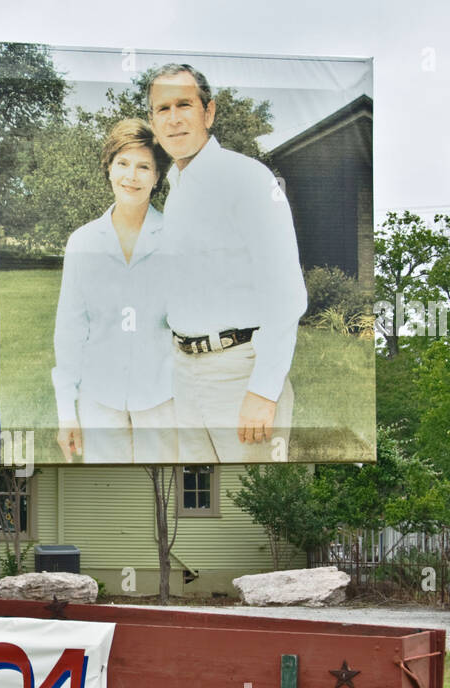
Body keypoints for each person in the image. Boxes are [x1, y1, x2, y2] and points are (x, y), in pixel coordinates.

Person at [148, 64, 308, 463]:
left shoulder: (248, 179)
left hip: (239, 377)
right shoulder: (176, 187)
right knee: (197, 503)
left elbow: (287, 292)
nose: (174, 118)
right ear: (153, 122)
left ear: (209, 112)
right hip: (185, 376)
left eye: (184, 104)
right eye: (162, 109)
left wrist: (263, 390)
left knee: (255, 510)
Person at [51, 119, 177, 463]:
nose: (131, 176)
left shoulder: (175, 238)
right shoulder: (83, 242)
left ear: (157, 177)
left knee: (160, 501)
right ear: (109, 168)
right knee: (107, 494)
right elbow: (70, 331)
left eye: (143, 167)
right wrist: (67, 413)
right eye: (122, 164)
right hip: (99, 403)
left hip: (163, 402)